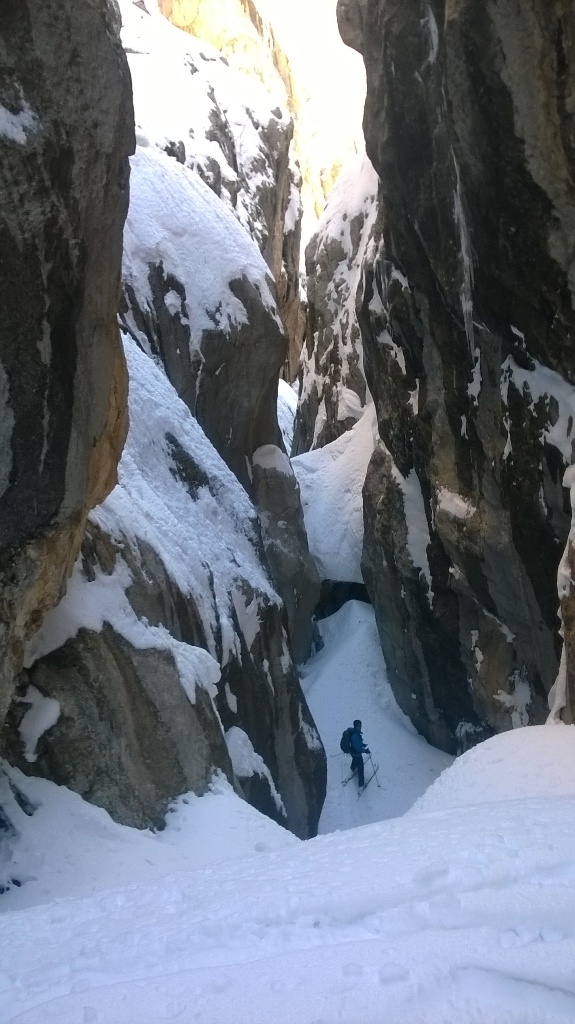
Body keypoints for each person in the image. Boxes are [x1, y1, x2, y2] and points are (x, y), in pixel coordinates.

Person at [350, 719, 370, 788]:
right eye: (358, 725)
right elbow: (358, 749)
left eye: (360, 725)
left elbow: (358, 744)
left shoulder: (356, 733)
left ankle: (352, 767)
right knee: (360, 769)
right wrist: (365, 751)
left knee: (355, 759)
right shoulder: (355, 736)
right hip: (357, 754)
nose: (360, 727)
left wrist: (363, 744)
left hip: (353, 753)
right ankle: (361, 784)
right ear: (355, 726)